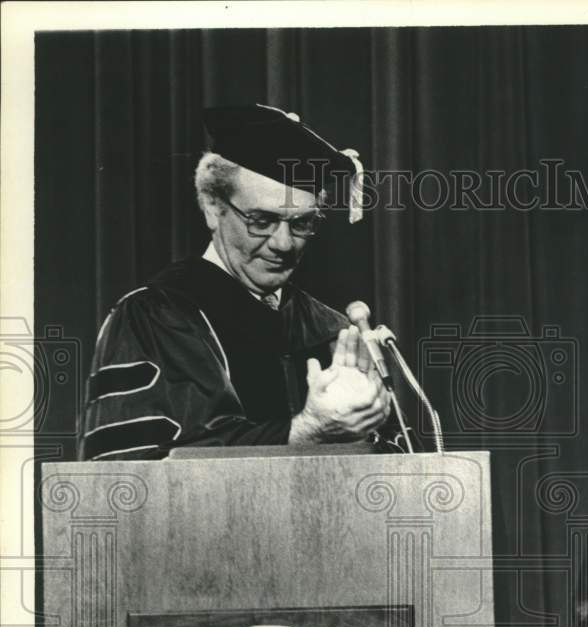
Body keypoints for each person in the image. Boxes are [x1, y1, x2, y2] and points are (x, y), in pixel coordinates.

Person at [79, 104, 391, 460]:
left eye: (302, 223)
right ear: (213, 206)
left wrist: (373, 426)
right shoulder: (153, 317)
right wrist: (306, 431)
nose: (284, 244)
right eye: (261, 220)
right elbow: (136, 472)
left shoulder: (330, 329)